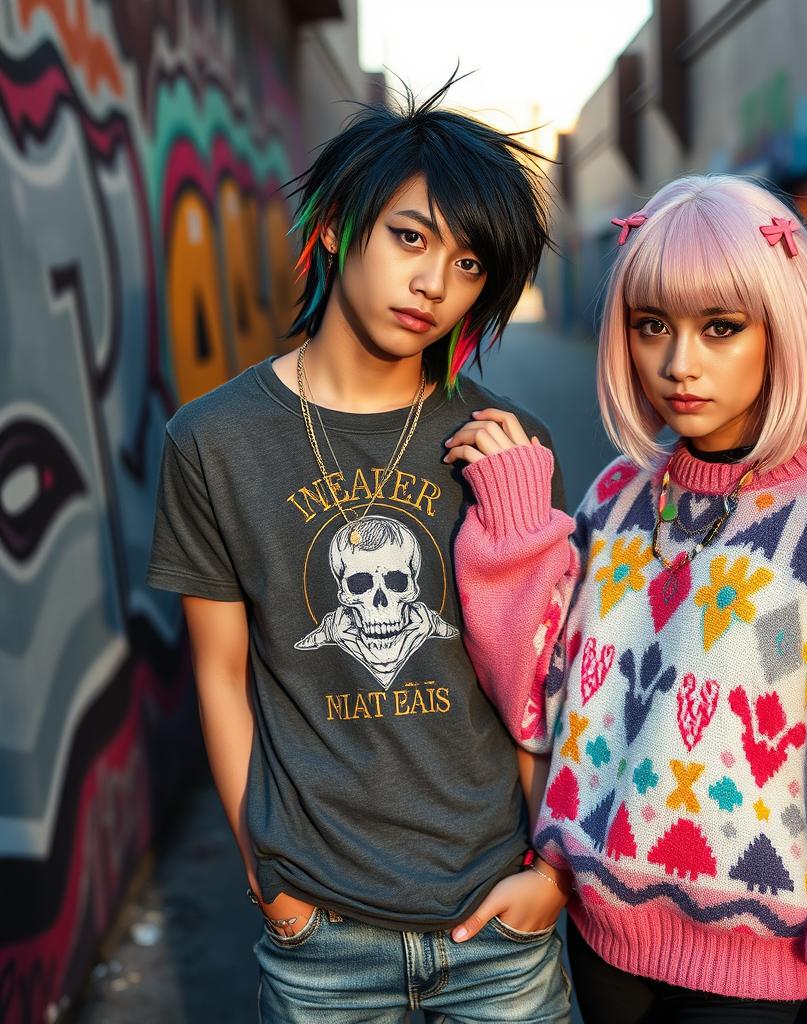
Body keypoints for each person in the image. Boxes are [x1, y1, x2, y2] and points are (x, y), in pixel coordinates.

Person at [447, 174, 807, 1024]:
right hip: (604, 954)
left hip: (768, 984)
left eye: (721, 327)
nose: (680, 363)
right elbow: (552, 703)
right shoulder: (618, 496)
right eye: (651, 326)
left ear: (782, 326)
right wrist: (519, 529)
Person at [146, 79, 572, 1023]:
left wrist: (553, 872)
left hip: (499, 919)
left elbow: (549, 679)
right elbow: (221, 675)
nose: (434, 285)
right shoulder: (213, 441)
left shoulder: (509, 444)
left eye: (468, 264)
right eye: (411, 238)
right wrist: (271, 886)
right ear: (339, 226)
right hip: (322, 930)